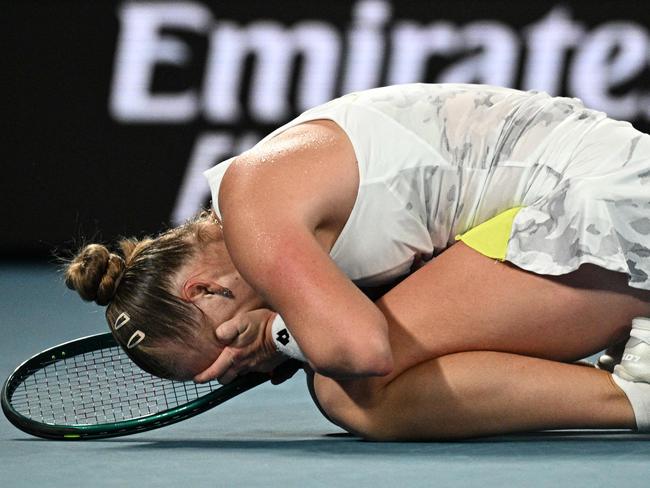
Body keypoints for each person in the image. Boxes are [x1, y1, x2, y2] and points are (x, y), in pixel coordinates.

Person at [65, 83, 650, 440]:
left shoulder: (251, 203)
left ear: (204, 291)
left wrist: (277, 335)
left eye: (229, 352)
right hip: (603, 202)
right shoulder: (277, 215)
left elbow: (362, 349)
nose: (247, 365)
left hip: (608, 200)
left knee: (345, 388)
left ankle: (640, 396)